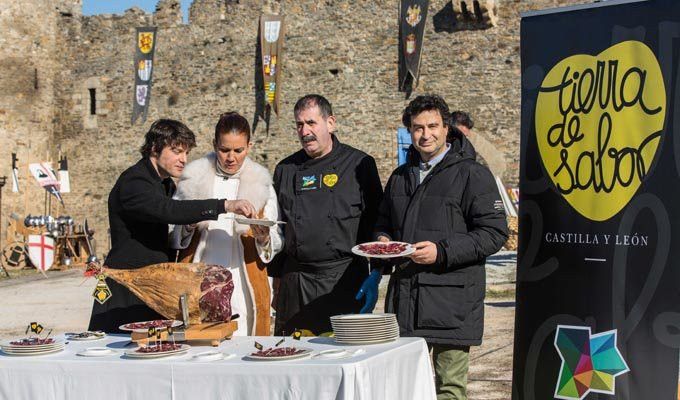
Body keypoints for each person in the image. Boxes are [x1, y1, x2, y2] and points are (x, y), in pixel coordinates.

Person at [374, 95, 508, 400]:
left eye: (433, 126)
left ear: (446, 128)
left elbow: (494, 233)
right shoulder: (399, 177)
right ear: (409, 130)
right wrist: (383, 241)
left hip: (452, 304)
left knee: (449, 390)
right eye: (418, 127)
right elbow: (383, 222)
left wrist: (442, 251)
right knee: (405, 389)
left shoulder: (473, 174)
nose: (425, 134)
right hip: (405, 302)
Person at [88, 119, 253, 333]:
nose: (183, 160)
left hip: (152, 286)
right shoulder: (134, 182)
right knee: (115, 353)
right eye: (176, 152)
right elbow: (168, 210)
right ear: (155, 148)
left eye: (186, 153)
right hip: (125, 289)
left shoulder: (164, 183)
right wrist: (225, 205)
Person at [269, 94, 383, 336]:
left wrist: (377, 273)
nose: (305, 131)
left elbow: (378, 221)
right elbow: (279, 226)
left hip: (344, 281)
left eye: (311, 123)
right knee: (291, 356)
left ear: (330, 123)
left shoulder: (360, 164)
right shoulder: (285, 170)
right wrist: (275, 280)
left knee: (343, 355)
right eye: (299, 124)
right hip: (296, 282)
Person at [170, 112, 282, 336]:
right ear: (214, 144)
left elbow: (277, 237)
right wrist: (189, 225)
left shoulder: (261, 183)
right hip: (200, 277)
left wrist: (264, 237)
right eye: (224, 150)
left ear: (249, 146)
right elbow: (173, 232)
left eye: (238, 151)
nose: (231, 157)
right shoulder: (193, 179)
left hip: (243, 280)